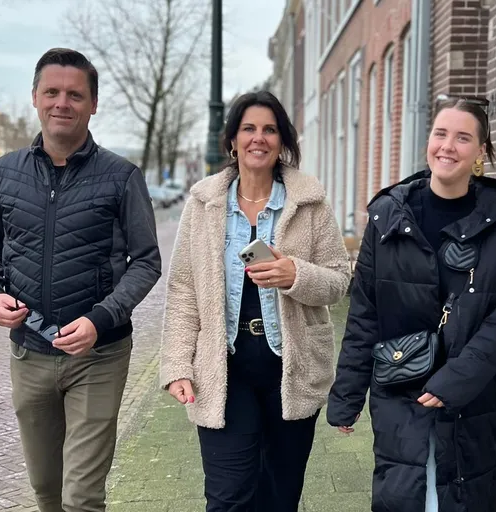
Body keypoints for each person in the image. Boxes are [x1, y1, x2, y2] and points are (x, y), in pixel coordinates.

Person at [0, 48, 162, 512]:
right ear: (34, 97)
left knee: (81, 498)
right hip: (29, 352)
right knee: (46, 491)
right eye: (51, 92)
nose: (62, 103)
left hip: (100, 354)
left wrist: (100, 318)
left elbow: (147, 262)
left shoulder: (121, 177)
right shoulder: (6, 172)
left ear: (93, 104)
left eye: (75, 95)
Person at [326, 95, 496, 511]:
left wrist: (454, 381)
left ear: (481, 151)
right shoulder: (387, 218)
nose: (448, 146)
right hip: (401, 389)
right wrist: (347, 395)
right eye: (441, 134)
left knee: (465, 495)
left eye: (463, 138)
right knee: (404, 496)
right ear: (428, 140)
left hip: (475, 399)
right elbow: (365, 313)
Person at [158, 91, 351, 512]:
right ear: (232, 140)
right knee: (228, 497)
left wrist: (295, 274)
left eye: (269, 129)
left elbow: (339, 280)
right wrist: (176, 365)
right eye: (248, 129)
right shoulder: (204, 203)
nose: (258, 138)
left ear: (282, 141)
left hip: (291, 367)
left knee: (280, 496)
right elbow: (184, 289)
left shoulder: (310, 202)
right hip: (224, 370)